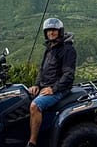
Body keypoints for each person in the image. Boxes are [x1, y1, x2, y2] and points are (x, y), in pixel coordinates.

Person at [27, 18, 76, 147]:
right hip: (45, 86)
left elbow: (68, 74)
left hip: (59, 89)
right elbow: (42, 70)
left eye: (54, 30)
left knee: (35, 106)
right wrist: (37, 85)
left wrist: (53, 89)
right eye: (48, 31)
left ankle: (32, 142)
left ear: (60, 31)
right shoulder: (50, 48)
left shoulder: (67, 49)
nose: (51, 33)